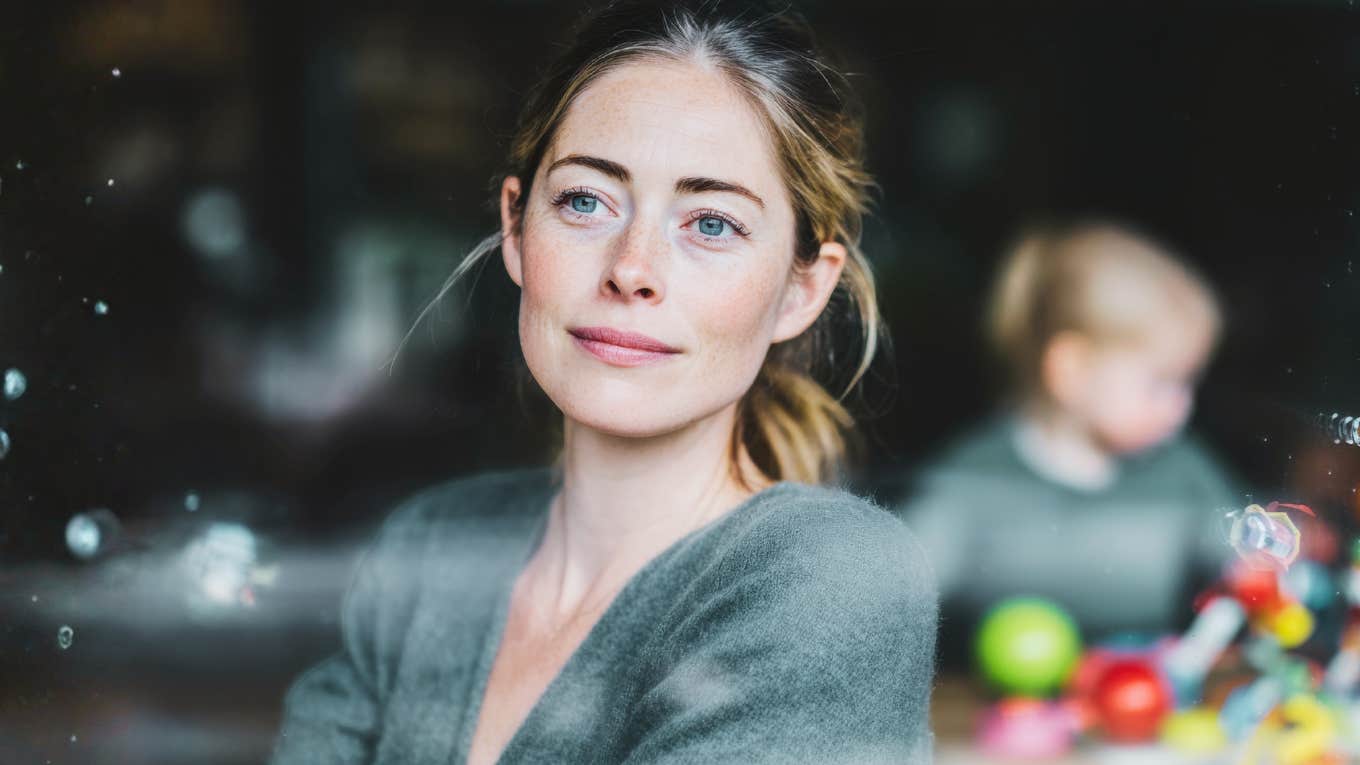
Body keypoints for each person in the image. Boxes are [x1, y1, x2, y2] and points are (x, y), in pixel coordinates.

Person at [269, 2, 938, 763]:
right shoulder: (428, 550)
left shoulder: (833, 582)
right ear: (518, 228)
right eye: (586, 201)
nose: (631, 269)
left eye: (711, 222)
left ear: (802, 289)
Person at [895, 219, 1239, 669]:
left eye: (1189, 385)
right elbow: (899, 591)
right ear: (1072, 370)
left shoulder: (1183, 472)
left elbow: (1245, 560)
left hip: (1144, 711)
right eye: (1161, 385)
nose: (1183, 408)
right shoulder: (975, 479)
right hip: (997, 720)